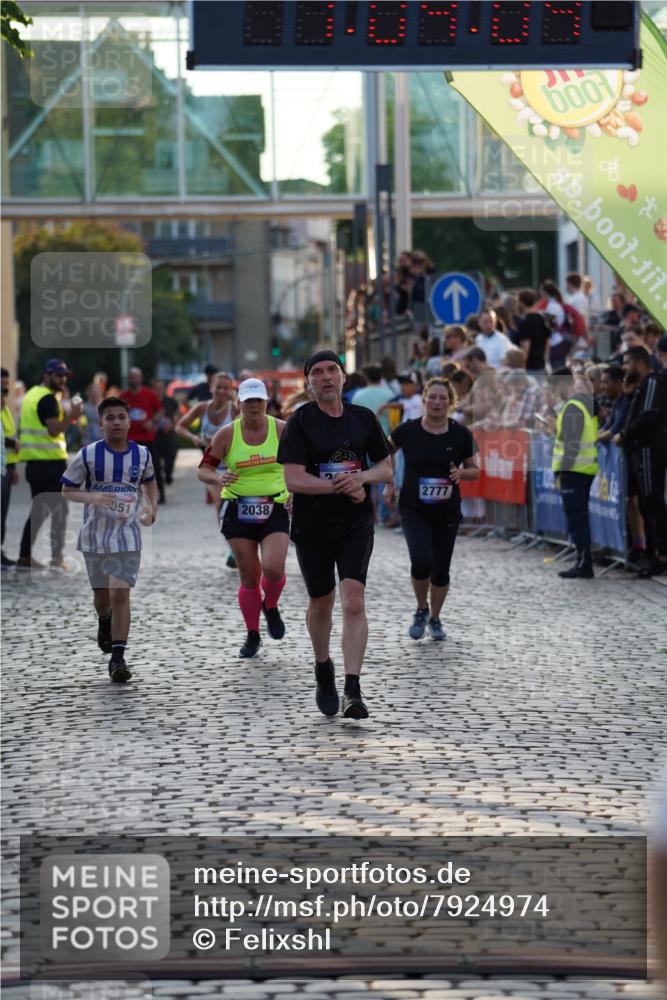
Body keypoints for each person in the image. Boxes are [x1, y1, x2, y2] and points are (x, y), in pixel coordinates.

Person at [278, 350, 393, 720]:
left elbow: (386, 467)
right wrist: (341, 486)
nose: (326, 377)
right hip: (312, 525)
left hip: (355, 522)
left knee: (354, 600)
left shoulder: (363, 419)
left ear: (343, 378)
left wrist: (362, 478)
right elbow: (293, 478)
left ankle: (353, 688)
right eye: (318, 372)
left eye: (333, 370)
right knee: (322, 602)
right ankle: (323, 667)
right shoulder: (301, 421)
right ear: (309, 382)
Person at [60, 396, 158, 682]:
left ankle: (118, 657)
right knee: (103, 600)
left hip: (128, 535)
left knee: (120, 594)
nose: (116, 422)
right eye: (110, 418)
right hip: (95, 536)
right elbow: (67, 490)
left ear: (129, 422)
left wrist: (152, 508)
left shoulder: (142, 454)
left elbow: (150, 482)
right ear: (101, 423)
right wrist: (95, 497)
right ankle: (105, 620)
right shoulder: (88, 454)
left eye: (121, 417)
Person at [197, 378, 290, 658]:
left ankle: (270, 606)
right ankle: (252, 634)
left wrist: (295, 490)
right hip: (238, 508)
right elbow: (203, 470)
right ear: (238, 404)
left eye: (258, 401)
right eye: (248, 401)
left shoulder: (282, 430)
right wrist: (218, 476)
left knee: (273, 568)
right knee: (250, 577)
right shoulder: (227, 434)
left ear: (266, 403)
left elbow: (303, 464)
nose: (253, 406)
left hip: (274, 506)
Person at [385, 377, 479, 641]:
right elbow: (383, 450)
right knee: (421, 560)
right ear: (424, 399)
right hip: (413, 508)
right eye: (433, 397)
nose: (437, 402)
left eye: (443, 398)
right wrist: (389, 481)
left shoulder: (461, 433)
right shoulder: (408, 430)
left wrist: (462, 472)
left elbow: (475, 470)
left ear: (451, 402)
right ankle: (420, 608)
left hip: (446, 510)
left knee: (441, 569)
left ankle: (435, 618)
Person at [17, 358, 82, 571]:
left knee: (38, 510)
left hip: (34, 463)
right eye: (57, 375)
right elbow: (54, 429)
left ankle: (25, 556)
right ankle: (56, 558)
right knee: (60, 511)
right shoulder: (47, 399)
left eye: (64, 375)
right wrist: (72, 416)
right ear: (46, 375)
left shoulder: (32, 395)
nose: (62, 379)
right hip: (50, 463)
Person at [615, 346, 667, 578]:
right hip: (639, 450)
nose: (625, 368)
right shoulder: (640, 386)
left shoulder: (652, 383)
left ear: (639, 362)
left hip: (649, 449)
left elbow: (647, 416)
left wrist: (625, 435)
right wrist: (627, 393)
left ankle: (661, 556)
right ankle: (653, 554)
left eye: (627, 363)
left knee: (652, 503)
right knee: (646, 505)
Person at [550, 368, 598, 579]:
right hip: (583, 469)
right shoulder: (583, 404)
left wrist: (563, 471)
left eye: (554, 389)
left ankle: (584, 562)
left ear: (562, 384)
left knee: (577, 519)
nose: (554, 394)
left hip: (574, 470)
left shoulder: (573, 407)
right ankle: (583, 560)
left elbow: (571, 445)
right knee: (579, 518)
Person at [120, 368, 165, 503]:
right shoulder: (124, 396)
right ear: (129, 379)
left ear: (141, 378)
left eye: (136, 377)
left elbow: (161, 411)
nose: (134, 380)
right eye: (132, 378)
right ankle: (131, 496)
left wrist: (153, 421)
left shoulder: (149, 394)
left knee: (154, 467)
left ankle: (160, 495)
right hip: (130, 440)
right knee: (129, 470)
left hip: (148, 439)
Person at [1, 368, 20, 568]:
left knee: (3, 512)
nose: (5, 386)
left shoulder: (5, 407)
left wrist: (13, 468)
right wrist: (10, 442)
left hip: (6, 466)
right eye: (2, 383)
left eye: (6, 383)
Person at [152, 379, 180, 489]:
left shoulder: (171, 401)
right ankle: (161, 493)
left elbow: (177, 416)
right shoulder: (151, 401)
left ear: (164, 389)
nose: (159, 390)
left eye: (161, 387)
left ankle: (168, 474)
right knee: (157, 467)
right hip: (155, 438)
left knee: (170, 461)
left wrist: (172, 425)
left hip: (169, 437)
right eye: (156, 388)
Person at [517, 289, 550, 378]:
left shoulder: (525, 322)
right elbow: (547, 342)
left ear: (521, 303)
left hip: (530, 367)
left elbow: (526, 347)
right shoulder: (541, 319)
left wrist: (522, 367)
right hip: (541, 364)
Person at [597, 365, 630, 443]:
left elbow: (614, 430)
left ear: (618, 383)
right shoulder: (617, 401)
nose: (601, 387)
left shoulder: (626, 402)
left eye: (605, 382)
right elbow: (607, 426)